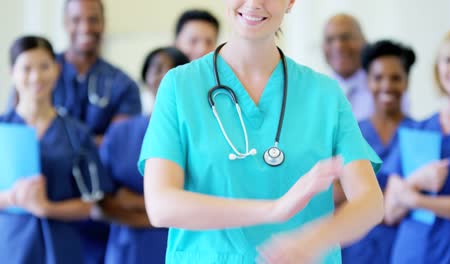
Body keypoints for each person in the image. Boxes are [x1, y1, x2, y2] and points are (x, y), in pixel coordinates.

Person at [139, 1, 384, 263]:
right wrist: (274, 210)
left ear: (290, 2)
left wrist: (315, 240)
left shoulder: (324, 94)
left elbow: (370, 201)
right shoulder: (179, 86)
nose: (254, 3)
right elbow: (161, 205)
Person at [0, 36, 113, 264]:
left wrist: (46, 208)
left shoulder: (77, 133)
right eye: (26, 68)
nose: (36, 76)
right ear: (13, 72)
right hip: (11, 245)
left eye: (44, 66)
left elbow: (89, 204)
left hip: (62, 247)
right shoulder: (3, 129)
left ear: (57, 69)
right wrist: (13, 197)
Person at [385, 27, 450, 264]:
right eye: (448, 60)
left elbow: (406, 200)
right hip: (411, 253)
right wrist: (418, 180)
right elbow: (390, 212)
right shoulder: (416, 130)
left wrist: (419, 201)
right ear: (437, 68)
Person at [99, 47, 189, 264]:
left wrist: (133, 201)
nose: (165, 75)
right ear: (145, 76)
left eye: (174, 69)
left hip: (181, 248)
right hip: (128, 250)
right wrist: (164, 213)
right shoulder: (120, 134)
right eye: (157, 68)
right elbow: (101, 203)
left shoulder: (198, 136)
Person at [339, 40, 417, 264]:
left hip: (404, 247)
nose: (387, 86)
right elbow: (333, 192)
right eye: (378, 78)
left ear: (406, 82)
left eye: (396, 78)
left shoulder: (421, 133)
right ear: (367, 81)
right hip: (355, 247)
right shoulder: (351, 132)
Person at [53, 0, 142, 144]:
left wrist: (56, 144)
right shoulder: (39, 75)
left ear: (103, 23)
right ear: (65, 23)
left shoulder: (124, 85)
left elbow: (117, 143)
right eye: (76, 19)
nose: (85, 27)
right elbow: (21, 130)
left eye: (93, 19)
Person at [322, 13, 410, 121]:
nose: (338, 46)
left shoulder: (388, 90)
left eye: (346, 37)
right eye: (330, 40)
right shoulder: (315, 94)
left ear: (365, 41)